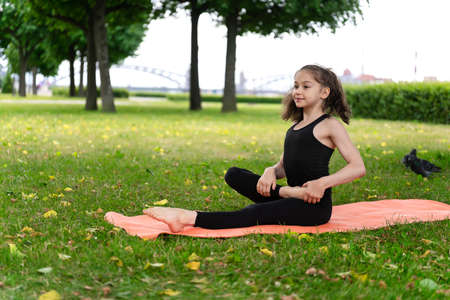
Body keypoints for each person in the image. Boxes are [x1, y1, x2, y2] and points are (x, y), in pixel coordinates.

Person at [143, 64, 366, 232]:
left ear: (324, 93)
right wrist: (270, 171)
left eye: (306, 86)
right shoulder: (296, 126)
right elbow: (284, 166)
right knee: (234, 174)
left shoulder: (330, 125)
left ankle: (185, 218)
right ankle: (287, 192)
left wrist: (323, 183)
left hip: (312, 207)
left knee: (253, 213)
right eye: (295, 85)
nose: (297, 90)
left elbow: (357, 167)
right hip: (289, 197)